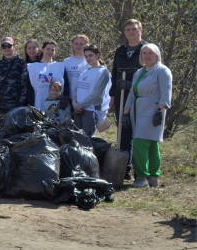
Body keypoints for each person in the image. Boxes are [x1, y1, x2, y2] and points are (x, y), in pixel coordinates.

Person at [123, 43, 172, 188]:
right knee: (151, 144)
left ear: (157, 55)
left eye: (151, 53)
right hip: (138, 110)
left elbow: (166, 91)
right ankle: (153, 178)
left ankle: (142, 176)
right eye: (144, 53)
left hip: (153, 110)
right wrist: (126, 112)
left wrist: (160, 110)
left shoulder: (162, 71)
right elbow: (132, 93)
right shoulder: (139, 72)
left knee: (141, 142)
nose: (147, 56)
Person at [110, 19, 147, 174]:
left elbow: (151, 73)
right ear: (125, 32)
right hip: (121, 96)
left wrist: (131, 83)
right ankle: (125, 168)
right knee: (123, 132)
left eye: (134, 29)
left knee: (139, 134)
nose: (131, 32)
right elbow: (114, 72)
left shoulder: (147, 50)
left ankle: (140, 170)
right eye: (128, 29)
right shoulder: (120, 50)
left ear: (141, 31)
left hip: (140, 97)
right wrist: (112, 96)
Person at [73, 45, 111, 137]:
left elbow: (97, 94)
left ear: (97, 55)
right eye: (86, 56)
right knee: (77, 138)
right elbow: (76, 90)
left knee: (88, 139)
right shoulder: (84, 72)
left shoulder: (103, 72)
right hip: (78, 110)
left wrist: (82, 105)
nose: (88, 58)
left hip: (90, 110)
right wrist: (74, 103)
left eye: (90, 56)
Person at [0, 37, 29, 114]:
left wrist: (22, 103)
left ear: (14, 47)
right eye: (4, 46)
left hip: (14, 105)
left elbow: (24, 85)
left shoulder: (21, 64)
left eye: (9, 46)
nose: (6, 48)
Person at [26, 40, 67, 110]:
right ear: (42, 49)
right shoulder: (33, 66)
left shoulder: (60, 66)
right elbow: (29, 87)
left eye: (52, 50)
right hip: (39, 104)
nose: (50, 52)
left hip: (56, 105)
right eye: (48, 49)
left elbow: (66, 86)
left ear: (55, 52)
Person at [63, 34, 90, 101]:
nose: (78, 46)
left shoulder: (89, 62)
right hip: (67, 98)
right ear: (72, 45)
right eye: (76, 44)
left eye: (81, 44)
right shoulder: (66, 61)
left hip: (83, 98)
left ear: (86, 45)